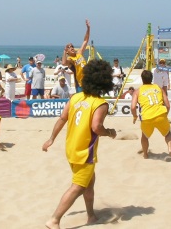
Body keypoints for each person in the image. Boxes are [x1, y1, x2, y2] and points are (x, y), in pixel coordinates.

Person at [42, 60, 116, 228]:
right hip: (84, 152)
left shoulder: (76, 97)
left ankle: (91, 216)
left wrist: (51, 138)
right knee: (78, 186)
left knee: (89, 183)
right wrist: (110, 132)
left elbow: (62, 118)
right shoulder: (100, 103)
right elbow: (96, 127)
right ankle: (54, 220)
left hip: (71, 148)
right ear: (105, 81)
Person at [131, 70, 171, 159]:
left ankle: (145, 154)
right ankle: (170, 149)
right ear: (152, 78)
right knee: (168, 133)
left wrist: (135, 116)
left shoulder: (137, 91)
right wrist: (165, 115)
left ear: (142, 79)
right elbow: (167, 105)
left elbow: (133, 107)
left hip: (147, 117)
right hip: (161, 114)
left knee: (144, 136)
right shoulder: (158, 88)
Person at [62, 19, 90, 92]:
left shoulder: (79, 53)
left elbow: (85, 40)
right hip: (79, 84)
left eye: (72, 46)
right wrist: (64, 52)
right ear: (67, 51)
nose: (71, 47)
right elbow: (64, 63)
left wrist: (88, 28)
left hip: (88, 81)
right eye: (69, 47)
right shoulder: (70, 59)